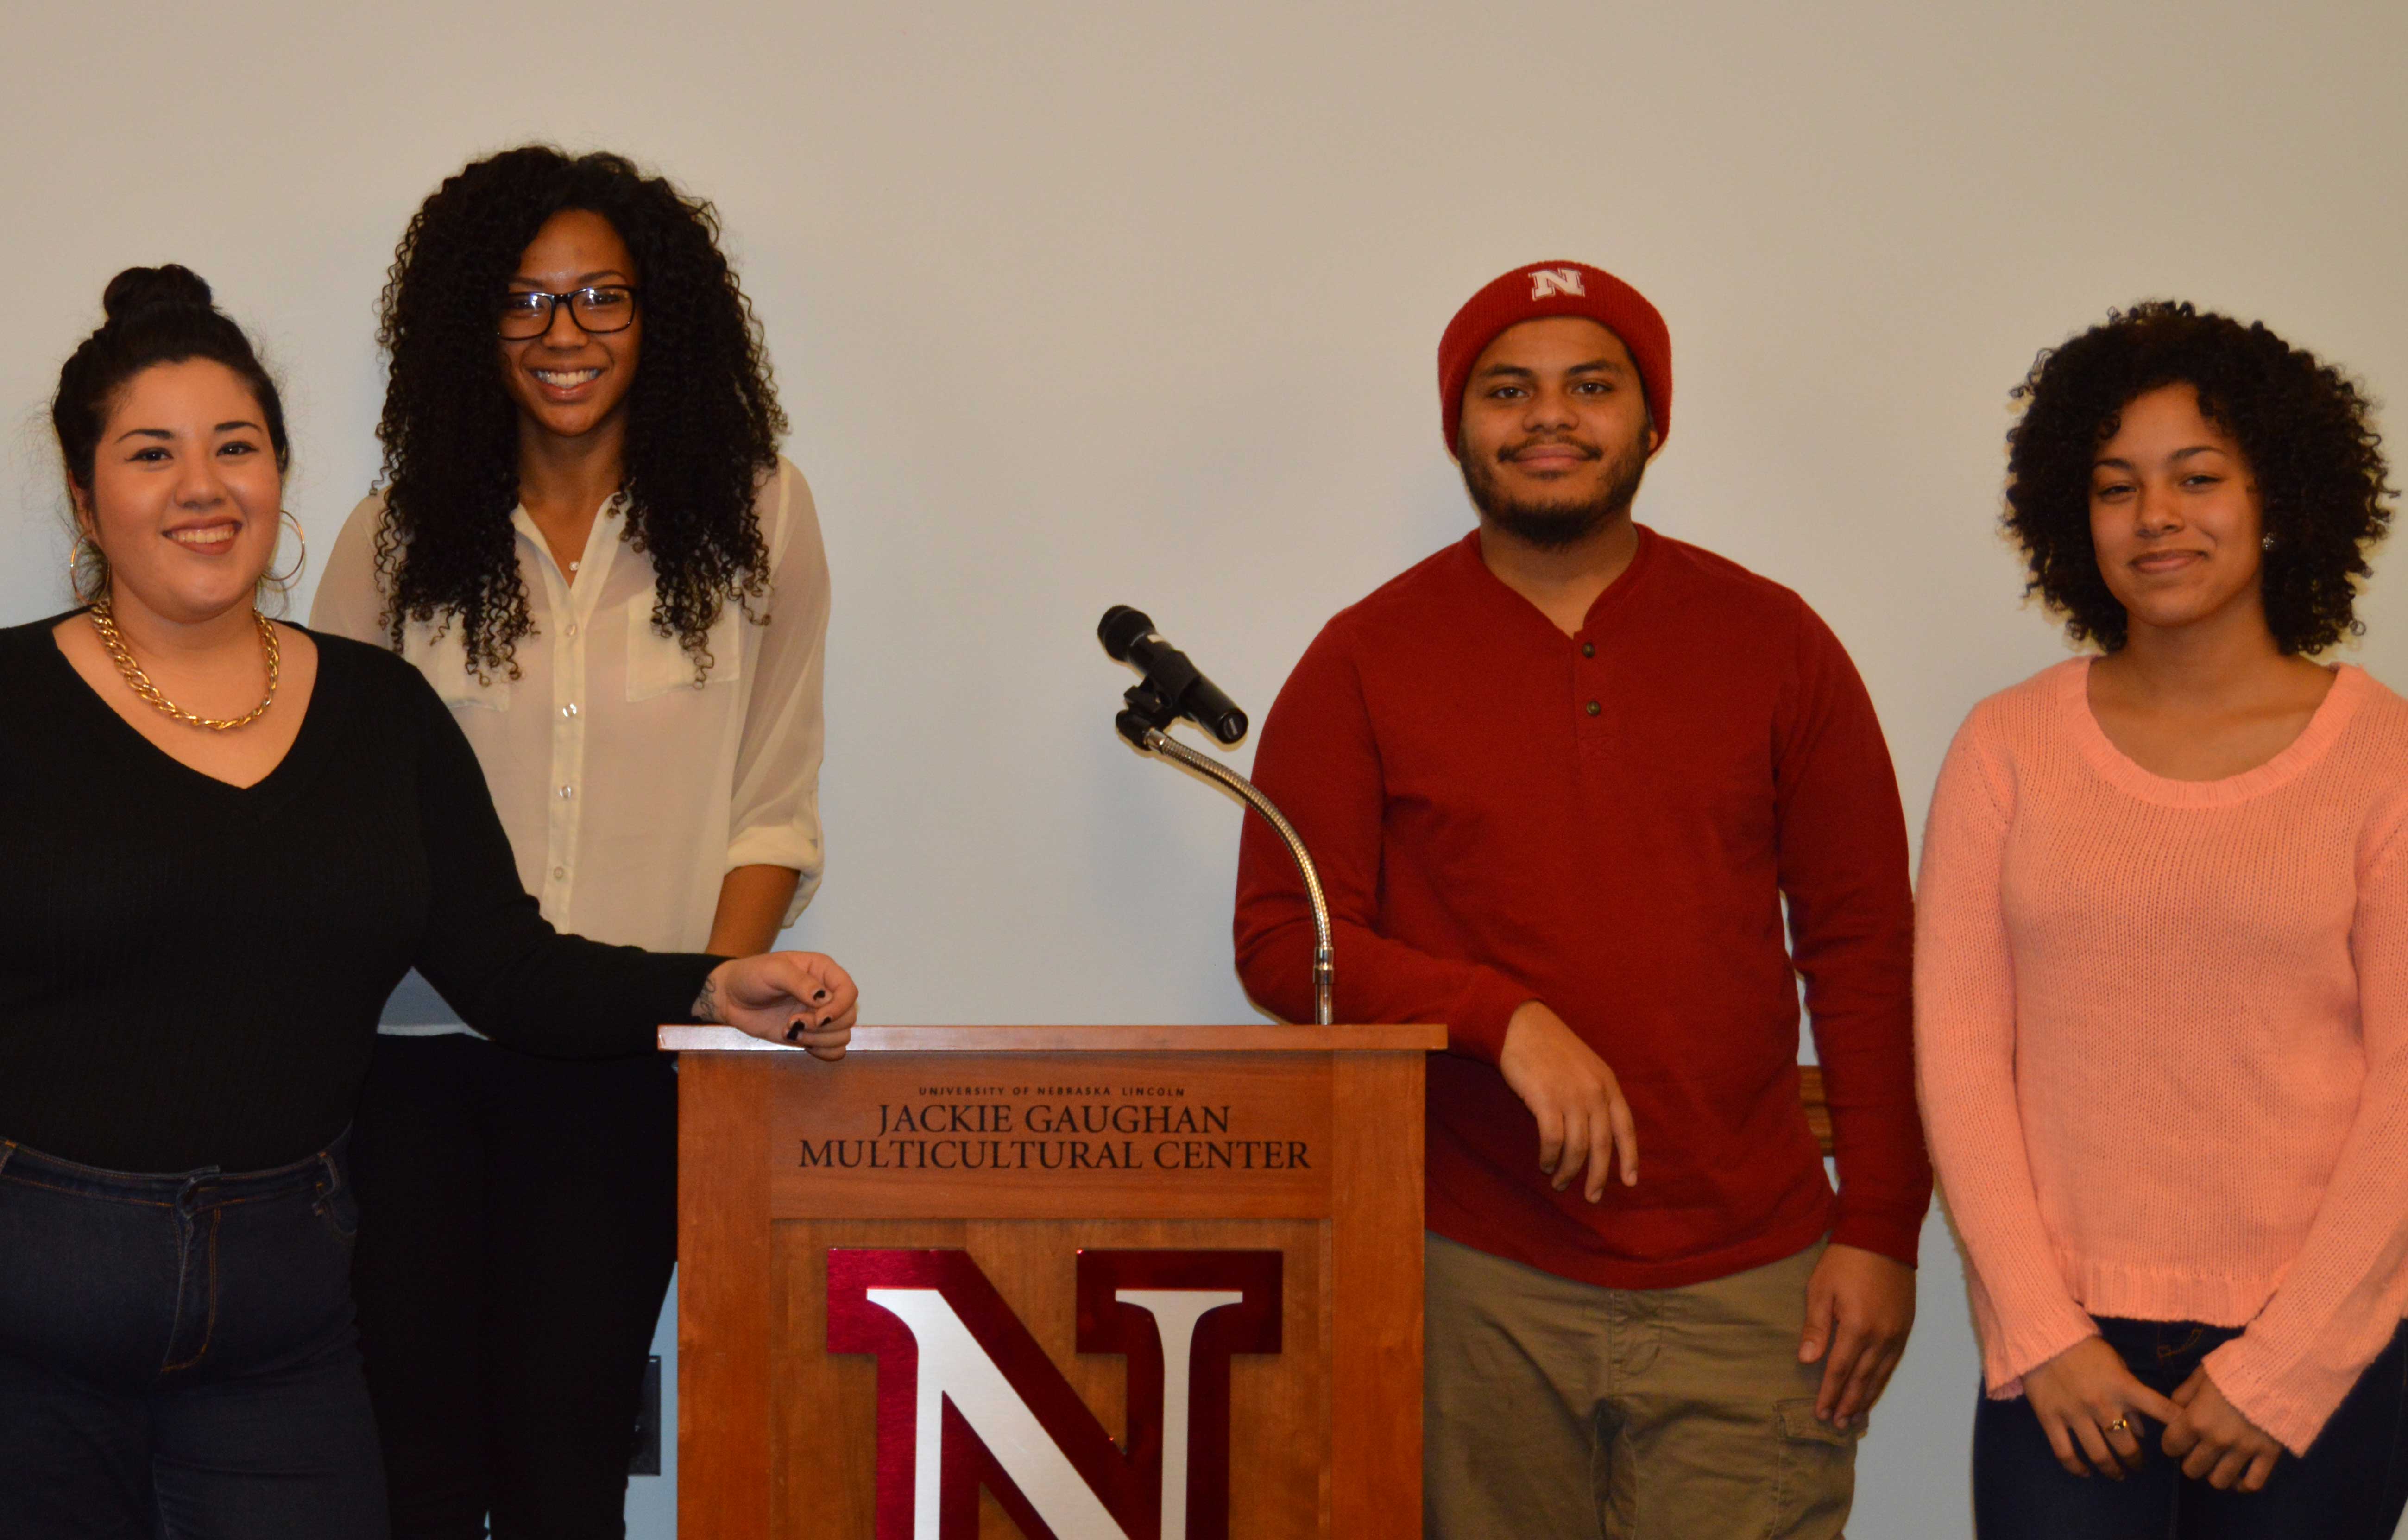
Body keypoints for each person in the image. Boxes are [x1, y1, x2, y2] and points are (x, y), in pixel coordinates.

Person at [0, 265, 856, 1540]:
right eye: (150, 454)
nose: (201, 487)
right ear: (85, 493)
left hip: (283, 1340)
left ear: (280, 473)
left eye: (236, 446)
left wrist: (706, 981)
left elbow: (510, 968)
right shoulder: (14, 704)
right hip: (31, 1336)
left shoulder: (376, 714)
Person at [1232, 260, 1931, 1539]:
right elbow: (1287, 944)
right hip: (1470, 1272)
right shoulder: (1363, 657)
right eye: (1509, 389)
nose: (1548, 417)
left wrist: (1883, 1226)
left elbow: (1867, 947)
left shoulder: (1776, 642)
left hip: (1755, 1278)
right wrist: (1504, 1015)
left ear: (1651, 420)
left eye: (1590, 386)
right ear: (1460, 427)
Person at [309, 146, 829, 1538]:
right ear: (472, 327)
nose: (566, 334)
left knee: (568, 1469)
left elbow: (771, 797)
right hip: (413, 1077)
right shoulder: (394, 538)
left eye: (602, 295)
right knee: (414, 1473)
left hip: (626, 1069)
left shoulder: (758, 519)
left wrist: (711, 1023)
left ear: (662, 315)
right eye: (526, 302)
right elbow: (331, 815)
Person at [1916, 301, 2408, 1537]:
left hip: (2328, 1354)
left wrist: (2290, 1362)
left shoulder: (2386, 760)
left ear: (2282, 496)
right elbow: (1963, 1059)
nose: (2156, 519)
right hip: (2067, 1361)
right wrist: (2039, 1331)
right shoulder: (2007, 747)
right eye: (2117, 485)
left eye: (2199, 478)